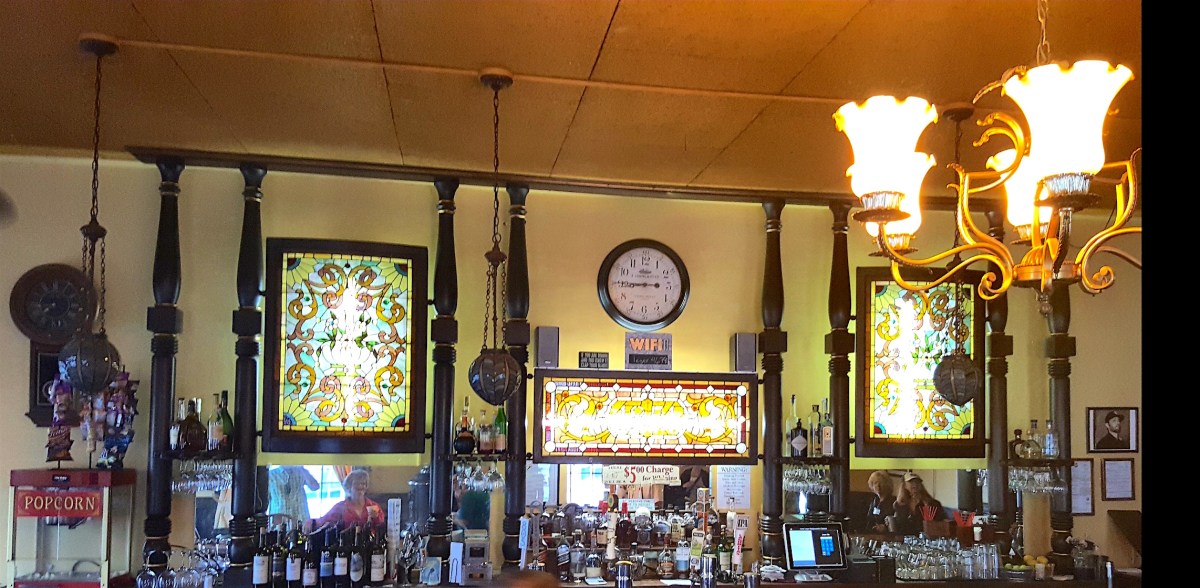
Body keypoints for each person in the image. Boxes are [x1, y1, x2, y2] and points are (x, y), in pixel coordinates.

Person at [318, 469, 383, 527]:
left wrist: (376, 517)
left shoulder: (374, 506)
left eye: (363, 484)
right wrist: (312, 522)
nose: (360, 486)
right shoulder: (340, 507)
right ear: (349, 486)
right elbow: (323, 521)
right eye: (356, 484)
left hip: (369, 537)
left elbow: (382, 526)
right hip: (347, 537)